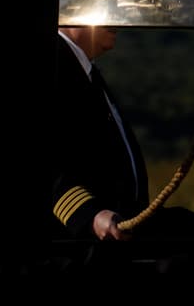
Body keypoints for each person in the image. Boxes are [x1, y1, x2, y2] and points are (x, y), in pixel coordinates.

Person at [49, 25, 149, 241]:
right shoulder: (51, 64)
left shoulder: (85, 70)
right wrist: (87, 215)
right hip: (69, 248)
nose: (117, 21)